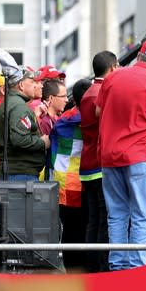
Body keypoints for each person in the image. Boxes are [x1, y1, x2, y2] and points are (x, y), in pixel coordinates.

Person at [95, 39, 146, 270]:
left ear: (139, 56)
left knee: (117, 216)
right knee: (142, 216)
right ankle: (135, 267)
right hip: (140, 156)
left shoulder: (112, 77)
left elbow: (98, 110)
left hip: (110, 156)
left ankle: (117, 266)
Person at [80, 51, 118, 272]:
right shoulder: (103, 92)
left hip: (87, 163)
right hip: (100, 163)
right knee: (105, 220)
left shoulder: (87, 92)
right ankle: (102, 267)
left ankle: (92, 266)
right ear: (112, 67)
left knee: (94, 219)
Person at [49, 79, 92, 271]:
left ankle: (71, 271)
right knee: (86, 229)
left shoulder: (62, 121)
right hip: (85, 182)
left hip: (63, 184)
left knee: (69, 231)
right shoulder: (93, 119)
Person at [0, 66, 50, 181]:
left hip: (15, 173)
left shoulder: (9, 104)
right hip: (20, 175)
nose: (36, 85)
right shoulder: (19, 107)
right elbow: (20, 140)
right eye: (32, 81)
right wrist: (42, 142)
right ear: (21, 85)